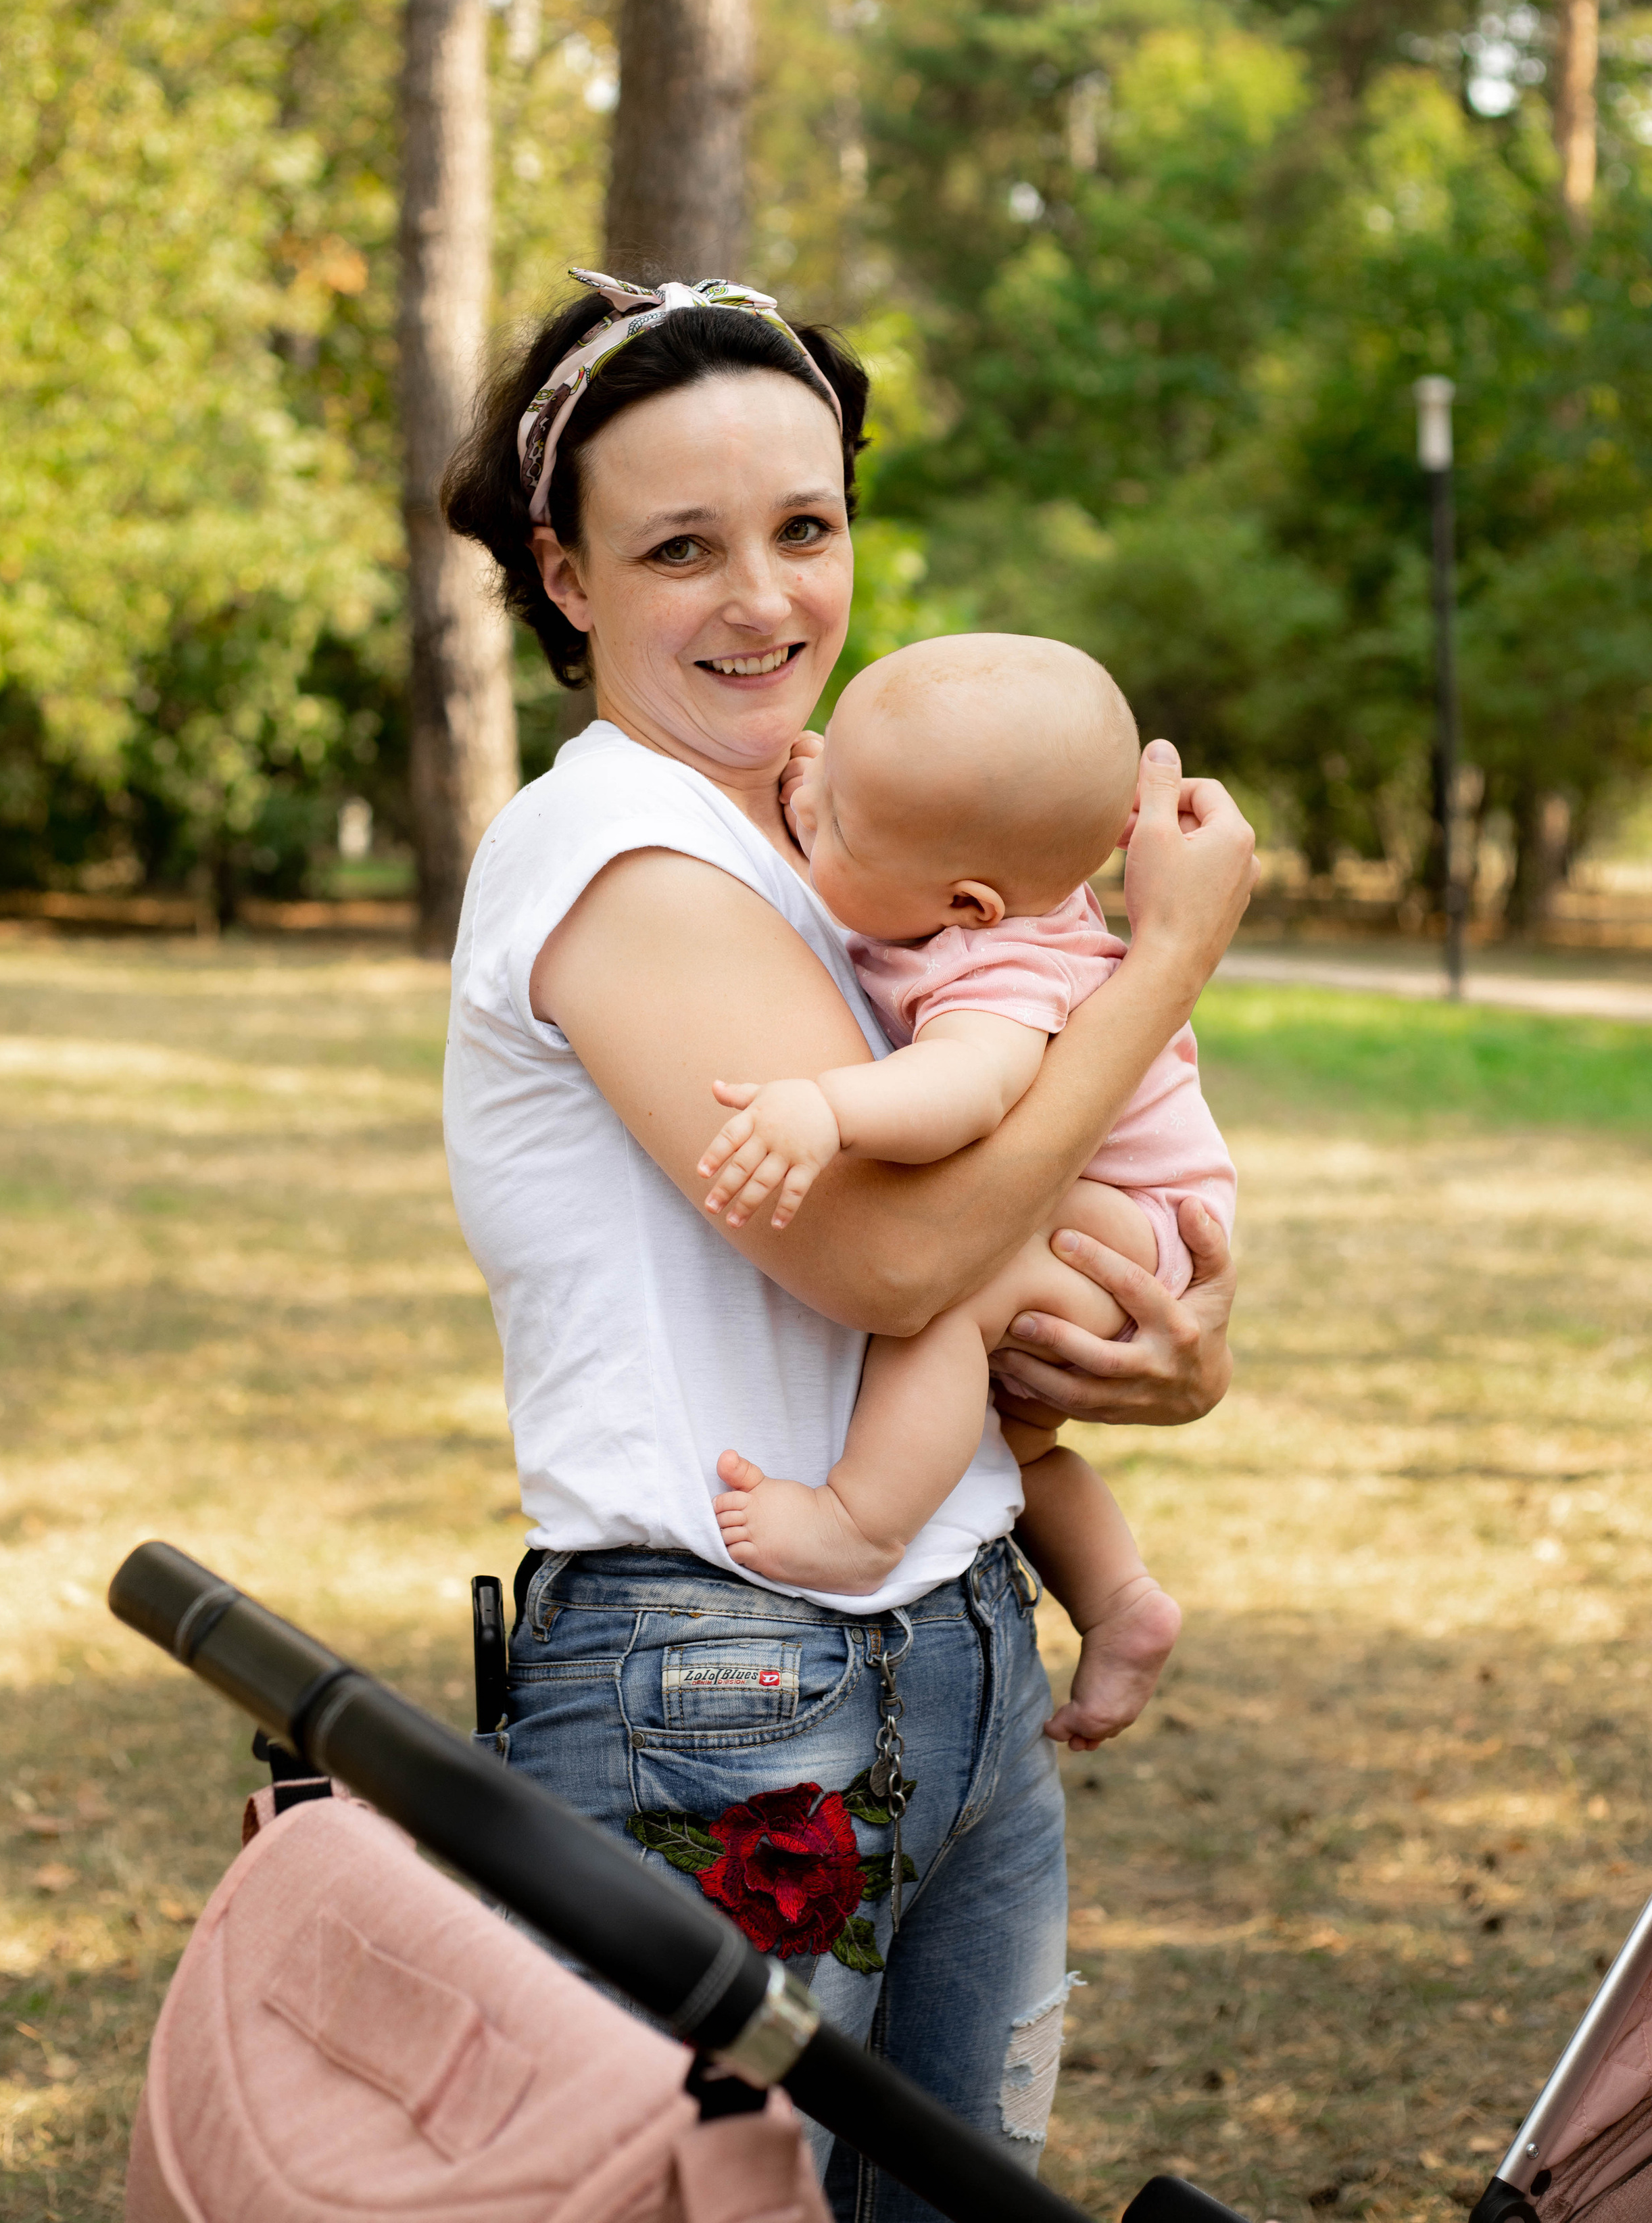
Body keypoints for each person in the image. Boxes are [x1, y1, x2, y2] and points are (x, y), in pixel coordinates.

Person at [439, 270, 1257, 2223]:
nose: (764, 599)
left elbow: (1022, 1209)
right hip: (722, 1674)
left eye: (804, 527)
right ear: (566, 577)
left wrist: (1170, 1353)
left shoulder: (841, 849)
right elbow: (891, 1270)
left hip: (960, 1635)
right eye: (680, 548)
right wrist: (1163, 968)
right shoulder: (619, 856)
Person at [696, 634, 1236, 1753]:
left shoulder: (998, 972)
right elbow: (866, 824)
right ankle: (1122, 1601)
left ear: (969, 901)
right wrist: (829, 792)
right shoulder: (962, 895)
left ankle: (860, 1523)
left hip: (1132, 1222)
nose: (808, 809)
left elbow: (963, 1091)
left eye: (838, 825)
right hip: (1124, 1210)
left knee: (951, 1297)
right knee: (1017, 1446)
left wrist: (828, 1108)